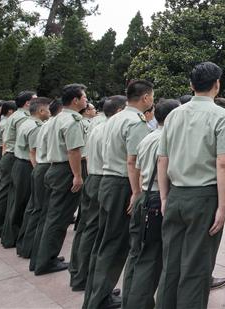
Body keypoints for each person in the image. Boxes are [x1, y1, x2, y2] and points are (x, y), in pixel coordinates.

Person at [156, 62, 225, 309]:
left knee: (171, 263)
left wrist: (163, 197)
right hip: (203, 197)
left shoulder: (174, 115)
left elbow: (163, 158)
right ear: (217, 85)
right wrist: (223, 207)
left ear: (191, 85)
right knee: (196, 265)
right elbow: (224, 163)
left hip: (175, 194)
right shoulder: (222, 117)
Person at [83, 80, 154, 309]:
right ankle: (100, 299)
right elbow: (133, 161)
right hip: (122, 184)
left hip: (106, 181)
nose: (152, 100)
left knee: (104, 242)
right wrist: (136, 192)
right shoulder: (135, 122)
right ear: (145, 97)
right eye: (151, 96)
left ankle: (94, 296)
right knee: (116, 244)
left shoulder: (114, 119)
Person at [121, 98, 179, 309]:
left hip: (144, 196)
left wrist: (136, 192)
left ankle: (130, 300)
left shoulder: (148, 137)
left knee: (137, 254)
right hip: (157, 199)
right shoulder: (168, 139)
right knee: (152, 258)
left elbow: (133, 164)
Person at [70, 95, 126, 292]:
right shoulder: (112, 128)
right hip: (104, 179)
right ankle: (85, 278)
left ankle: (78, 272)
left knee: (87, 227)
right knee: (97, 231)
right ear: (119, 111)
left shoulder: (98, 126)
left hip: (93, 176)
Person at [35, 84, 87, 275]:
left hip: (54, 168)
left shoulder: (56, 118)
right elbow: (73, 151)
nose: (86, 100)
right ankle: (46, 261)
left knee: (50, 216)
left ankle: (42, 258)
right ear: (75, 100)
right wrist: (77, 176)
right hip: (66, 170)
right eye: (84, 97)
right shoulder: (72, 121)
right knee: (59, 218)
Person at [0, 90, 36, 241]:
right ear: (27, 103)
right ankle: (7, 232)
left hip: (9, 155)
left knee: (5, 193)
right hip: (15, 156)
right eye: (35, 100)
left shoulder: (15, 115)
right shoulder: (23, 118)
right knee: (15, 197)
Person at [8, 97, 51, 252]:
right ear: (41, 111)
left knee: (22, 204)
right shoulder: (36, 127)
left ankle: (17, 240)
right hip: (28, 165)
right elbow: (34, 153)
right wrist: (38, 173)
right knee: (33, 206)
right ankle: (27, 244)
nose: (49, 112)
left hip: (20, 163)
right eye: (48, 109)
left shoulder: (27, 122)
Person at [26, 99, 62, 268]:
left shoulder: (47, 124)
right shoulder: (55, 124)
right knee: (48, 215)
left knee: (42, 213)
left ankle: (36, 254)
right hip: (48, 167)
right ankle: (43, 259)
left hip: (44, 167)